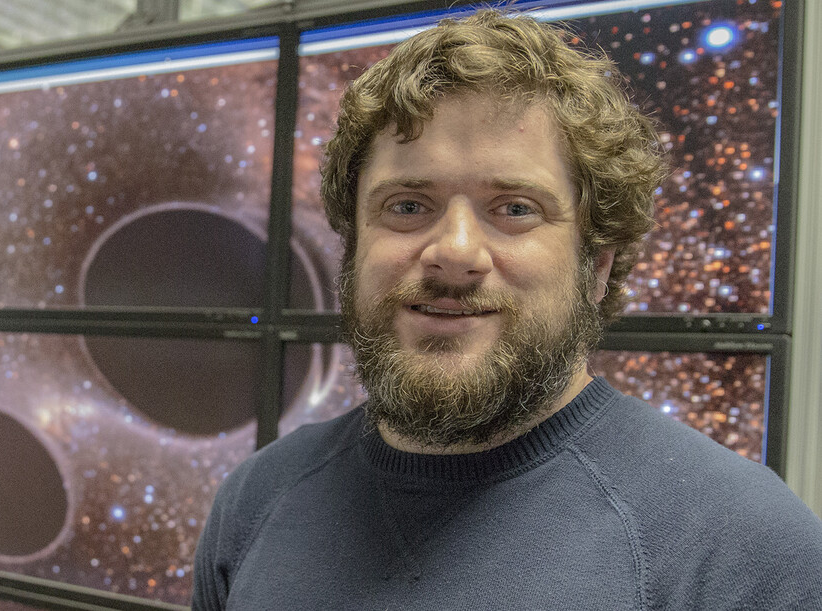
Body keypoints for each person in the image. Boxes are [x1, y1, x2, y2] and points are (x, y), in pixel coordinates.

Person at [192, 9, 822, 610]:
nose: (455, 253)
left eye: (516, 208)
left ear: (596, 265)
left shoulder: (743, 546)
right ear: (354, 247)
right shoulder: (255, 500)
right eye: (408, 205)